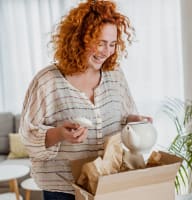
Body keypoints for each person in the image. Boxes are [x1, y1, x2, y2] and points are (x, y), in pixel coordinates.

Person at [19, 0, 152, 199]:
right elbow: (28, 136)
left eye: (112, 44)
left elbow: (122, 117)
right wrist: (60, 134)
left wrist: (132, 120)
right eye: (100, 43)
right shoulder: (47, 82)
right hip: (64, 189)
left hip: (108, 182)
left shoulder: (115, 75)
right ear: (79, 39)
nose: (107, 52)